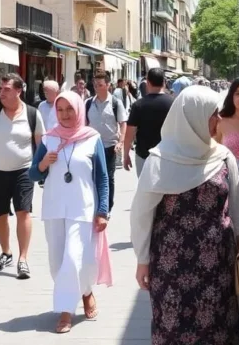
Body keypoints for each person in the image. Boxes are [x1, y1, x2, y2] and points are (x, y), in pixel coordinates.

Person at [130, 86, 239, 345]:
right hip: (171, 267)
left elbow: (236, 212)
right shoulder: (160, 160)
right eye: (213, 114)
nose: (219, 120)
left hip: (217, 265)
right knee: (174, 329)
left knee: (218, 329)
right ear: (192, 117)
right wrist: (142, 260)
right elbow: (141, 214)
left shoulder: (223, 157)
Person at [28, 91, 110, 334]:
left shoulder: (92, 138)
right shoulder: (48, 139)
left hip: (82, 208)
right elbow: (33, 174)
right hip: (54, 208)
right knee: (56, 263)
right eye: (60, 110)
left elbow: (102, 178)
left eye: (69, 109)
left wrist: (103, 210)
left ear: (78, 110)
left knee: (74, 258)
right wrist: (43, 165)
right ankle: (85, 291)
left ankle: (66, 311)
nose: (64, 115)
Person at [0, 73, 44, 279]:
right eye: (0, 88)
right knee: (0, 214)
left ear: (18, 91)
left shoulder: (32, 114)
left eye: (6, 89)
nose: (1, 92)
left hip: (23, 170)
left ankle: (23, 259)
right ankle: (6, 252)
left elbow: (40, 144)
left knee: (23, 212)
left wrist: (41, 170)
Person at [86, 72, 128, 214]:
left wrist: (121, 142)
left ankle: (107, 207)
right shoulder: (88, 103)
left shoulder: (115, 103)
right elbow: (84, 124)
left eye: (100, 85)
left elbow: (123, 123)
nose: (97, 88)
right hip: (91, 146)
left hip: (109, 146)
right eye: (95, 85)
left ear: (108, 85)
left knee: (108, 177)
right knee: (91, 176)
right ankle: (94, 203)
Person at [122, 68, 174, 176]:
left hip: (144, 156)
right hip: (168, 156)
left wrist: (126, 155)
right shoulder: (173, 104)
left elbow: (129, 133)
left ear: (148, 83)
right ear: (164, 82)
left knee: (145, 191)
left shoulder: (138, 105)